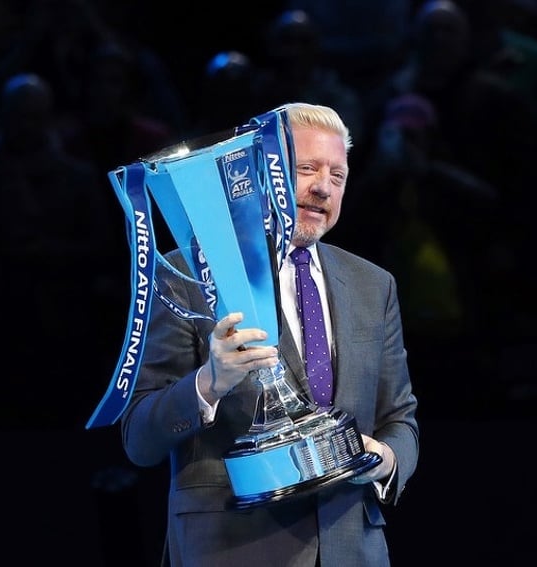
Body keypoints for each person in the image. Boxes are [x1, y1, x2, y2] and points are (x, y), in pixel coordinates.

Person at [119, 102, 420, 566]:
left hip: (352, 549)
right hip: (232, 548)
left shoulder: (373, 285)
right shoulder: (189, 273)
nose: (322, 187)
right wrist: (208, 384)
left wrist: (381, 458)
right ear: (263, 172)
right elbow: (139, 438)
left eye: (337, 176)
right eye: (306, 169)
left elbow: (400, 419)